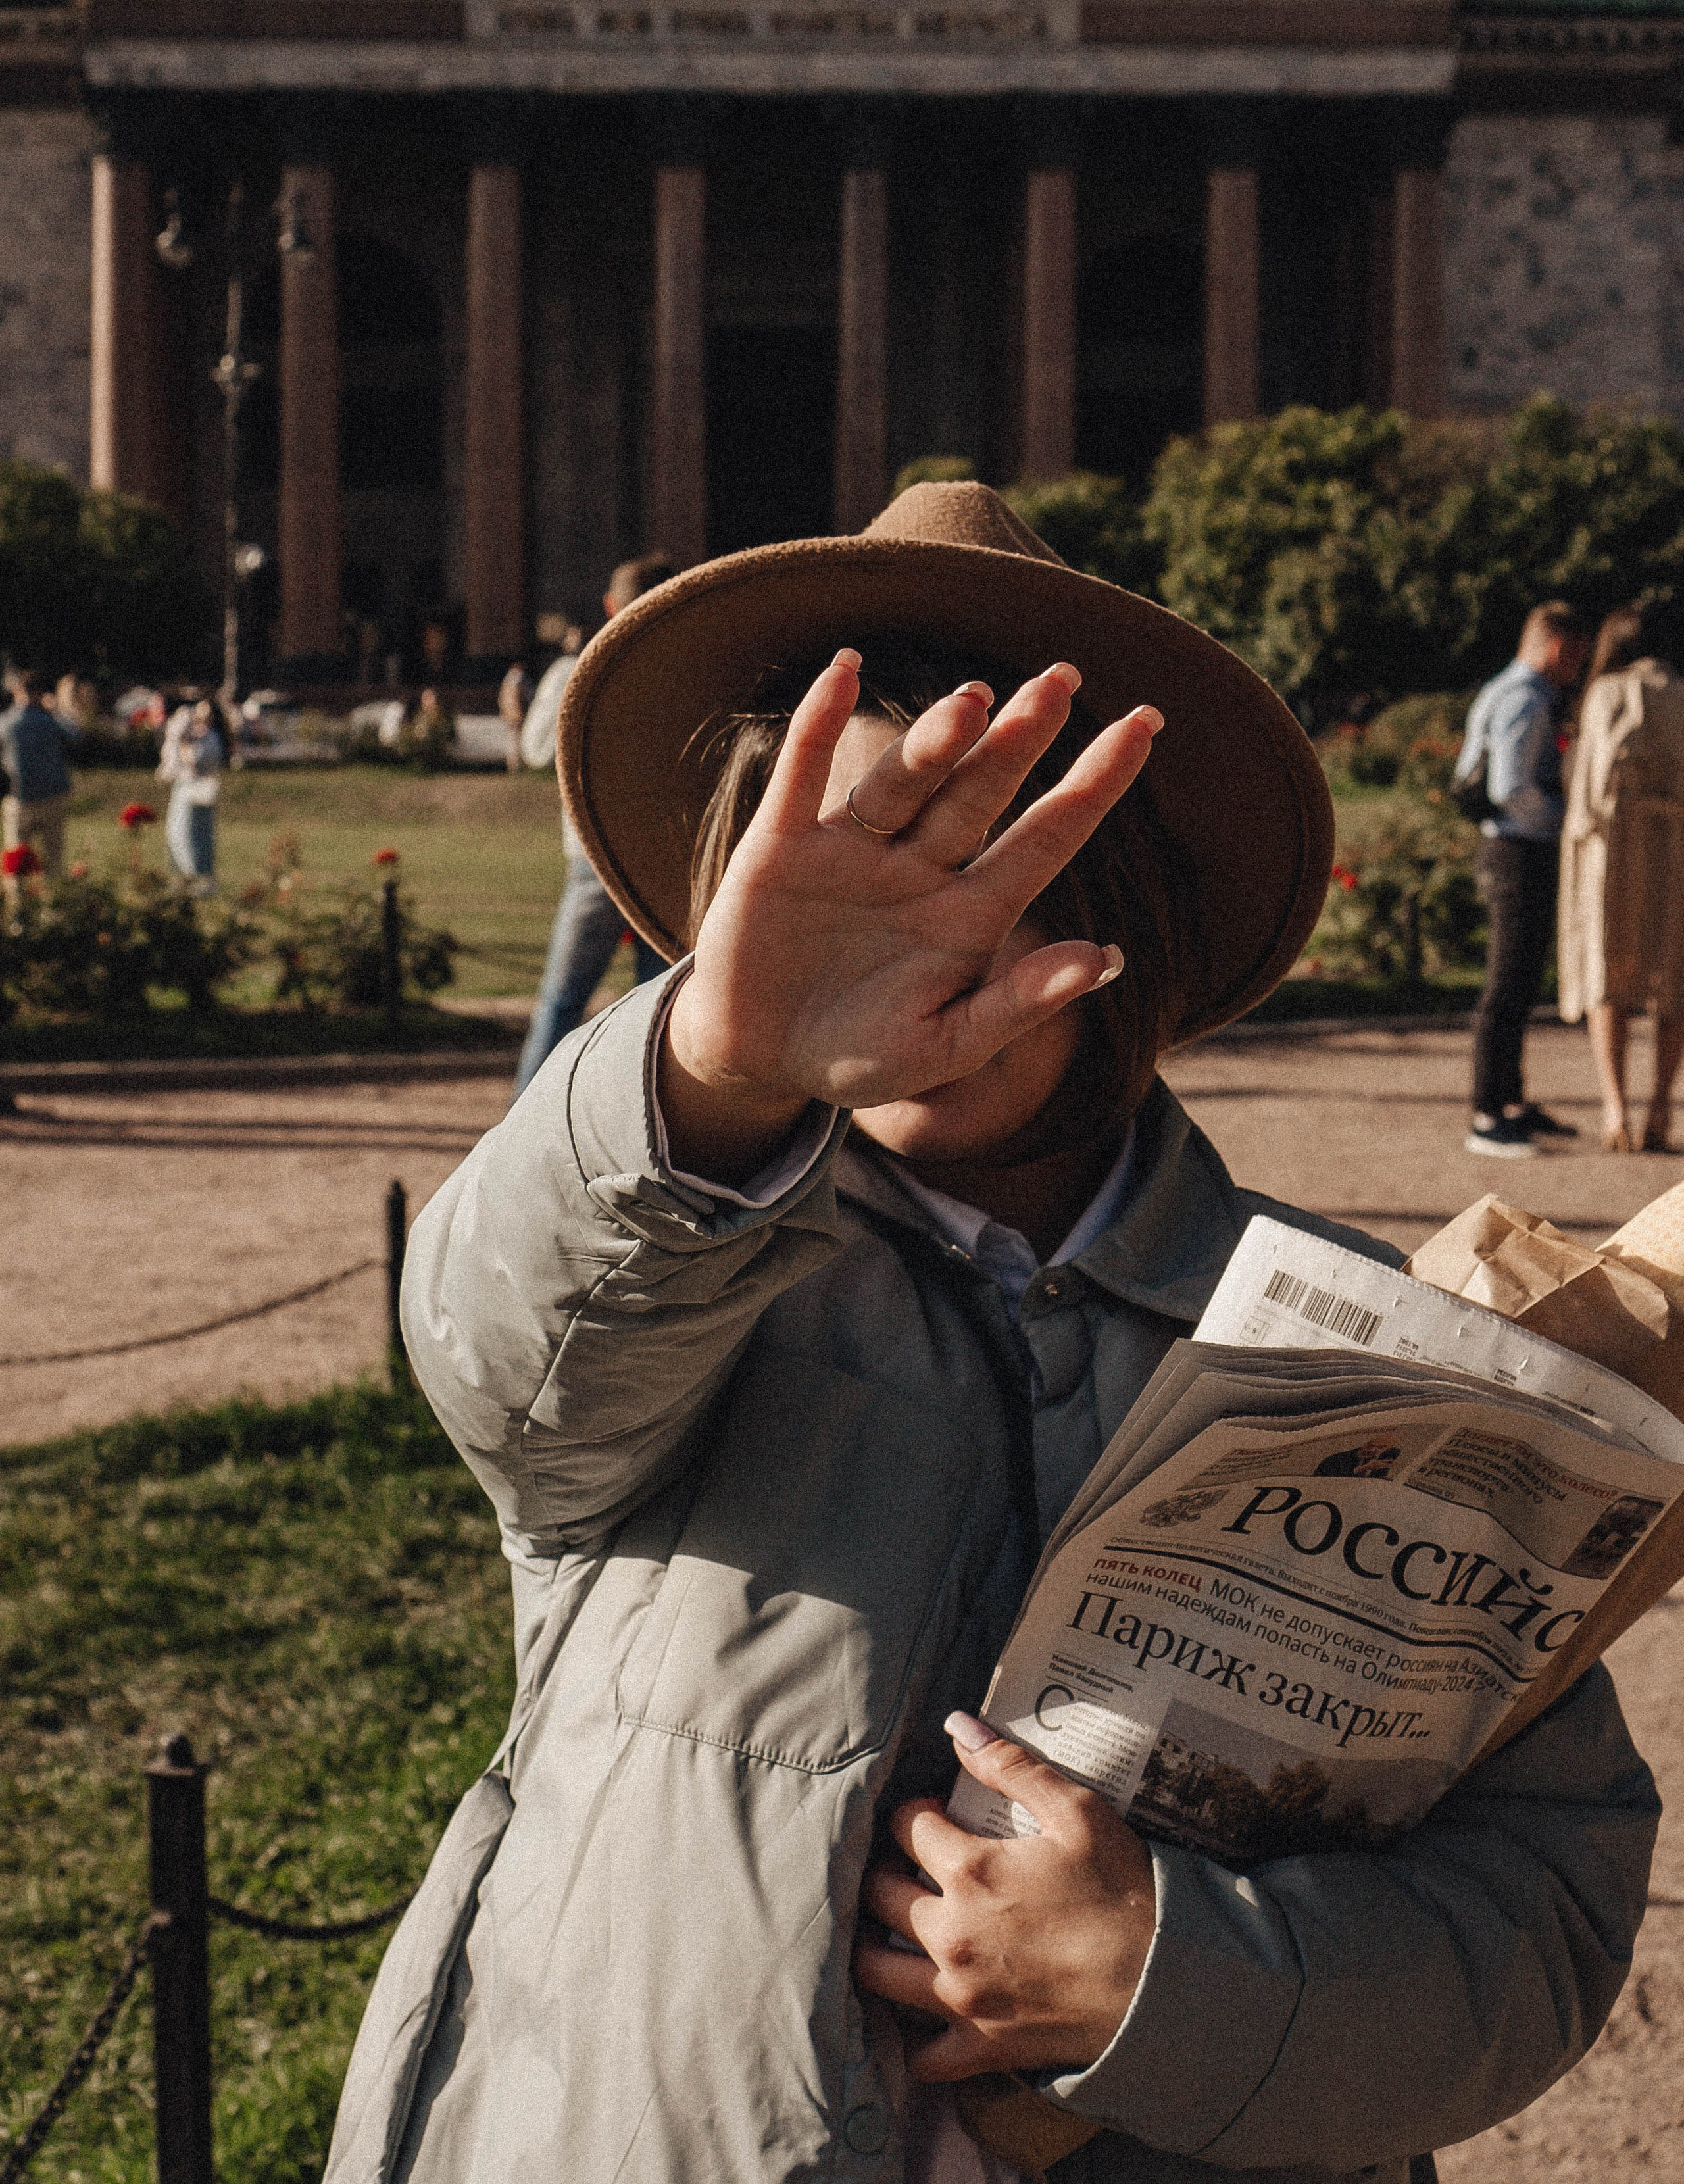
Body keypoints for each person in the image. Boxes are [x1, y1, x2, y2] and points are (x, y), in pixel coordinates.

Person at [328, 484, 1658, 2184]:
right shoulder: (675, 1262)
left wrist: (1162, 1976)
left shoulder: (1376, 1353)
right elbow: (493, 1354)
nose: (908, 961)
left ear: (1115, 910)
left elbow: (1539, 1899)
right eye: (840, 876)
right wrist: (714, 1075)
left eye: (979, 870)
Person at [512, 556, 675, 1095]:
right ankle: (646, 1125)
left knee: (562, 1002)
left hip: (591, 855)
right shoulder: (680, 669)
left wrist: (517, 716)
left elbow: (537, 752)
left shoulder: (573, 670)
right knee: (655, 1010)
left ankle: (521, 1125)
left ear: (610, 605)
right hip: (664, 856)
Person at [1454, 600, 1591, 1157]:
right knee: (1507, 984)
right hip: (1517, 849)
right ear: (1560, 649)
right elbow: (1511, 786)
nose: (1576, 671)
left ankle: (1510, 1101)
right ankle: (1487, 1115)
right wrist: (1568, 820)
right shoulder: (1524, 698)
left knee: (1518, 982)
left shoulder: (1504, 690)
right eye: (1577, 660)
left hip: (1509, 847)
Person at [1558, 602, 1684, 1152]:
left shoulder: (1608, 692)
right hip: (1677, 846)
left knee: (1606, 970)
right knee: (1673, 976)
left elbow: (1585, 785)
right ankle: (1661, 1108)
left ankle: (1616, 1108)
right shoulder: (1682, 693)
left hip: (1614, 849)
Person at [1, 668, 72, 881]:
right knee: (55, 862)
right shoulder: (49, 721)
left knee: (16, 863)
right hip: (52, 796)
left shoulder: (6, 723)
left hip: (19, 797)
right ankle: (54, 907)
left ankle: (18, 909)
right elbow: (75, 734)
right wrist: (56, 709)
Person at [161, 694, 228, 890]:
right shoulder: (194, 735)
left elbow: (195, 761)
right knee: (177, 833)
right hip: (184, 789)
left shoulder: (211, 737)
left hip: (199, 791)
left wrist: (183, 743)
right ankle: (182, 876)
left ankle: (199, 877)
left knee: (193, 835)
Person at [497, 660, 532, 774]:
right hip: (516, 715)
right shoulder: (517, 680)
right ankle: (517, 765)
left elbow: (503, 700)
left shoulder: (507, 682)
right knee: (517, 740)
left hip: (509, 714)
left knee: (513, 739)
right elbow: (520, 698)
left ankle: (514, 764)